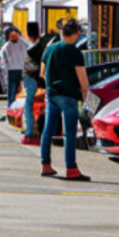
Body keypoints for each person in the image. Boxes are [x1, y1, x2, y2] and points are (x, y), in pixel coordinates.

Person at [40, 19, 90, 181]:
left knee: (48, 130)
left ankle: (46, 165)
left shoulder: (50, 49)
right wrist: (86, 99)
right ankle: (71, 168)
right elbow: (83, 79)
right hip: (68, 95)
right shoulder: (74, 51)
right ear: (76, 34)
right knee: (69, 133)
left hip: (51, 94)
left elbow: (42, 73)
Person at [20, 26, 45, 145]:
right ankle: (34, 131)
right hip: (37, 77)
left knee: (28, 105)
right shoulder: (43, 44)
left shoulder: (33, 46)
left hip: (31, 76)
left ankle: (30, 133)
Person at [0, 27, 28, 119]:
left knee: (25, 93)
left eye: (16, 35)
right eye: (12, 36)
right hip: (12, 71)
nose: (14, 37)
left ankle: (22, 112)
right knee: (11, 94)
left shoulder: (23, 44)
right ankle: (11, 112)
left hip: (23, 70)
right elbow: (3, 62)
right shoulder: (6, 47)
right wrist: (5, 74)